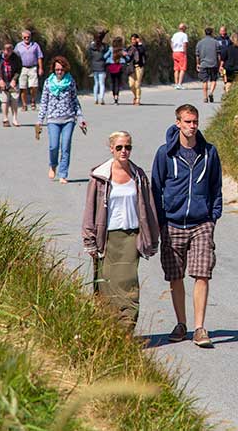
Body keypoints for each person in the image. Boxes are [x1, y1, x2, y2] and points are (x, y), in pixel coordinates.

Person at [151, 104, 223, 348]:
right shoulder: (165, 154)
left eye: (195, 121)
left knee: (202, 273)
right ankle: (181, 323)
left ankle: (200, 328)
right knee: (175, 276)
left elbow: (216, 187)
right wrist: (161, 220)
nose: (192, 126)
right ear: (178, 123)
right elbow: (156, 188)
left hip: (201, 223)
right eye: (187, 121)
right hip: (172, 223)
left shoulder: (209, 153)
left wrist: (213, 217)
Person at [82, 131, 161, 332]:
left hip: (131, 238)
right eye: (119, 147)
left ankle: (126, 330)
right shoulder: (100, 177)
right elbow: (90, 209)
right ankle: (108, 332)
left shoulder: (139, 175)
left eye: (128, 147)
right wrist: (89, 240)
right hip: (107, 238)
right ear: (111, 149)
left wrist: (152, 237)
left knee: (128, 285)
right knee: (106, 287)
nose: (124, 151)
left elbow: (149, 208)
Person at [36, 56, 87, 184]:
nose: (59, 72)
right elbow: (44, 102)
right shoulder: (48, 82)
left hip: (68, 119)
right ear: (53, 70)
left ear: (65, 69)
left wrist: (80, 118)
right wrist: (40, 120)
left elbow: (75, 101)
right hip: (53, 119)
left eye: (61, 69)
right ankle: (53, 165)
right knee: (54, 146)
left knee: (65, 146)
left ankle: (63, 174)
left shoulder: (70, 82)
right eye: (57, 69)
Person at [0, 41, 22, 127]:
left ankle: (15, 118)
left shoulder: (16, 56)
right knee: (4, 100)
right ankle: (5, 119)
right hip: (1, 81)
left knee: (14, 99)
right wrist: (0, 80)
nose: (9, 51)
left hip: (12, 80)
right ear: (3, 50)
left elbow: (19, 69)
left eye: (10, 49)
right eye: (7, 49)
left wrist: (14, 79)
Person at [14, 29, 44, 111]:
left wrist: (40, 68)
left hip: (33, 67)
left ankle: (33, 101)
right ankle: (24, 104)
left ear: (30, 37)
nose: (26, 38)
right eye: (25, 37)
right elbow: (14, 57)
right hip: (22, 68)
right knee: (23, 87)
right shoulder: (18, 46)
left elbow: (39, 57)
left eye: (28, 37)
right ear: (22, 37)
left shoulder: (35, 45)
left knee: (33, 86)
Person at [195, 27, 220, 104]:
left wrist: (198, 63)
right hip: (213, 64)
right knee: (213, 80)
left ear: (204, 33)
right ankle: (211, 92)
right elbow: (218, 55)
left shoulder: (200, 43)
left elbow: (197, 55)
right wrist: (219, 64)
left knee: (204, 81)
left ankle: (205, 97)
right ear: (212, 33)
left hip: (203, 64)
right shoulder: (216, 42)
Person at [125, 33, 147, 106]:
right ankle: (135, 95)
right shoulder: (129, 48)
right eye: (132, 39)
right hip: (131, 67)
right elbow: (126, 56)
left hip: (139, 67)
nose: (133, 41)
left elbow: (143, 51)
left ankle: (138, 98)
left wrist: (140, 43)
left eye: (134, 39)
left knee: (137, 84)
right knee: (131, 84)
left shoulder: (141, 47)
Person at [104, 36, 126, 105]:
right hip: (119, 66)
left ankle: (114, 97)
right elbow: (127, 58)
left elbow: (104, 56)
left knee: (113, 82)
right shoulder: (122, 50)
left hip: (111, 66)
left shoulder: (111, 49)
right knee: (117, 83)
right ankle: (116, 98)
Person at [88, 30, 108, 105]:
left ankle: (95, 99)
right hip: (102, 66)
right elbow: (107, 54)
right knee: (102, 84)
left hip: (94, 66)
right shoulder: (104, 46)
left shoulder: (92, 46)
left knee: (96, 83)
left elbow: (89, 54)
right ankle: (101, 98)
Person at [171, 23, 189, 90]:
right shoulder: (184, 35)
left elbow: (172, 43)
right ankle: (180, 84)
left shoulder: (175, 34)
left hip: (175, 52)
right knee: (182, 68)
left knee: (176, 69)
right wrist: (185, 52)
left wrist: (173, 50)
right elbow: (184, 44)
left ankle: (176, 84)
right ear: (183, 28)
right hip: (181, 52)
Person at [215, 25, 231, 91]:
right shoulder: (217, 39)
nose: (222, 32)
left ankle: (225, 83)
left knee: (225, 71)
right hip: (219, 58)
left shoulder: (229, 39)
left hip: (227, 58)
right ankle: (225, 81)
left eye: (223, 31)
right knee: (221, 71)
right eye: (221, 31)